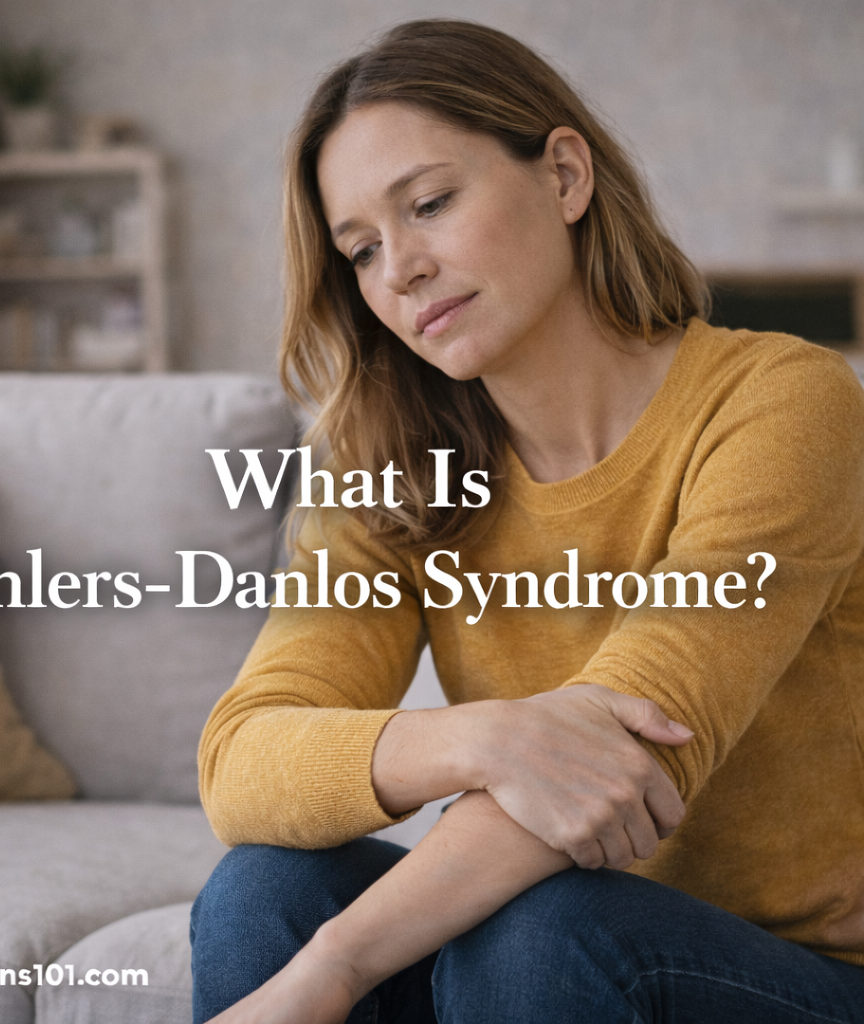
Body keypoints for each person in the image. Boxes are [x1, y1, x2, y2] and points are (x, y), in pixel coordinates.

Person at [190, 19, 864, 1024]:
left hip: (797, 976)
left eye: (428, 204)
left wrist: (330, 970)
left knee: (543, 926)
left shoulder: (783, 401)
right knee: (260, 889)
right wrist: (481, 739)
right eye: (362, 250)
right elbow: (242, 759)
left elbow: (630, 744)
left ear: (562, 176)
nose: (400, 270)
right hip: (553, 956)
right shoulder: (393, 466)